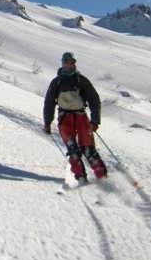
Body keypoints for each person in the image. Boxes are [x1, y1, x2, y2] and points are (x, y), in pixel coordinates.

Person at [43, 52, 107, 183]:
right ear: (62, 62)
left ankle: (103, 178)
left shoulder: (81, 80)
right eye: (66, 61)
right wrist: (47, 123)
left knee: (88, 149)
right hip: (65, 118)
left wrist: (95, 120)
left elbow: (94, 100)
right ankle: (81, 178)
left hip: (80, 117)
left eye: (71, 62)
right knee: (73, 150)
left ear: (74, 63)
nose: (68, 64)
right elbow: (49, 102)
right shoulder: (57, 82)